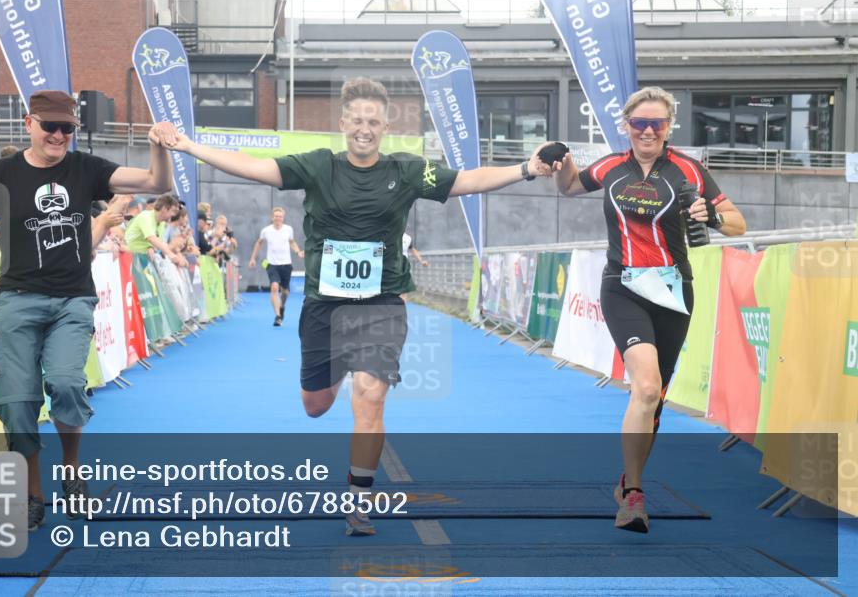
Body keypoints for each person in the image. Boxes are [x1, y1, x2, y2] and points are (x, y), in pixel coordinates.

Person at [158, 77, 547, 536]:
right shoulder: (319, 166)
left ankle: (358, 499)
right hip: (325, 306)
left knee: (371, 395)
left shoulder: (405, 170)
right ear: (343, 123)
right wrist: (188, 146)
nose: (364, 128)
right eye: (356, 120)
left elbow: (465, 180)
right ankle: (341, 367)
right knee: (316, 405)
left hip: (382, 302)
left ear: (385, 125)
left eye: (373, 121)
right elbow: (252, 166)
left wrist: (527, 166)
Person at [0, 90, 175, 533]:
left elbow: (156, 183)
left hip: (71, 300)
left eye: (67, 128)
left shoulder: (87, 168)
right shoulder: (1, 174)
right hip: (16, 298)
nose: (59, 135)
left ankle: (72, 471)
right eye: (50, 126)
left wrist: (159, 145)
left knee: (64, 384)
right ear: (29, 123)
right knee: (16, 404)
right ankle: (31, 494)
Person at [529, 86, 746, 534]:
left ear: (669, 127)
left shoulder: (689, 169)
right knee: (644, 387)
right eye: (639, 124)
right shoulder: (611, 166)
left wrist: (713, 218)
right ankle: (633, 496)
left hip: (673, 292)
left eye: (657, 124)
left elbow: (738, 222)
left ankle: (629, 480)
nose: (648, 131)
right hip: (623, 285)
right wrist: (561, 161)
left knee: (657, 398)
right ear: (626, 126)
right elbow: (569, 187)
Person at [249, 207, 303, 326]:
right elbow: (259, 243)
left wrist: (298, 251)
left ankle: (282, 306)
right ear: (272, 217)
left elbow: (292, 242)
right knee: (274, 287)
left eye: (280, 216)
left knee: (285, 292)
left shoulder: (288, 229)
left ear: (283, 218)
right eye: (276, 216)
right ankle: (278, 316)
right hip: (272, 264)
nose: (278, 218)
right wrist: (253, 258)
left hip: (286, 264)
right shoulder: (266, 230)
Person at [124, 194, 188, 268]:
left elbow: (157, 244)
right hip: (128, 258)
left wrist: (151, 248)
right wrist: (170, 254)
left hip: (139, 260)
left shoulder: (162, 223)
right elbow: (151, 238)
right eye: (173, 211)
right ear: (164, 209)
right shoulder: (146, 217)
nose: (174, 215)